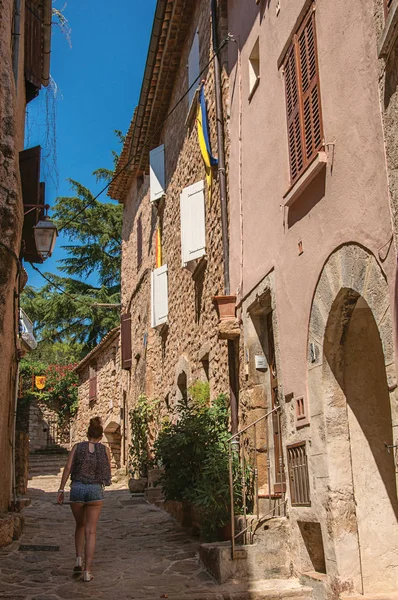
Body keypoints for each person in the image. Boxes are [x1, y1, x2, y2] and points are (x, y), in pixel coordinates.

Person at [57, 417, 111, 582]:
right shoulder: (105, 450)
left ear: (87, 433)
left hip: (78, 489)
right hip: (95, 490)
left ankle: (78, 559)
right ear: (101, 436)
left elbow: (68, 468)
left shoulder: (77, 447)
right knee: (91, 530)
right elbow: (107, 471)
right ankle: (87, 571)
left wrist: (61, 489)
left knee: (80, 525)